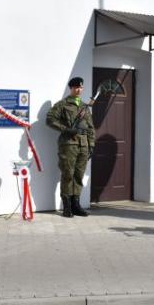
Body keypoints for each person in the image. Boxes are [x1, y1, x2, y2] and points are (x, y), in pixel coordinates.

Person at [46, 77, 95, 218]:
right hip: (68, 145)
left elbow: (91, 128)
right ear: (71, 89)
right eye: (75, 88)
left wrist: (91, 145)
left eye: (80, 88)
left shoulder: (85, 107)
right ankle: (67, 207)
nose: (78, 90)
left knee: (79, 176)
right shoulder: (62, 105)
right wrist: (66, 129)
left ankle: (76, 205)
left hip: (83, 145)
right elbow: (50, 120)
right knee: (68, 175)